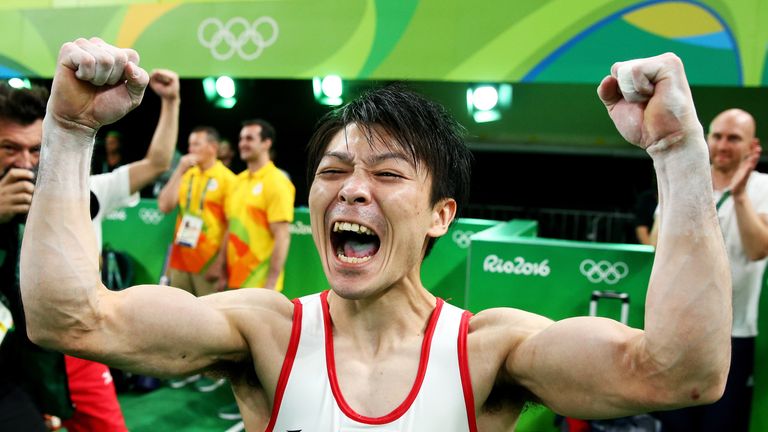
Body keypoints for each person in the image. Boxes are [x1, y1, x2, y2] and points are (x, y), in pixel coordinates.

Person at [22, 39, 731, 431]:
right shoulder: (263, 333)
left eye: (388, 175)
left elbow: (683, 374)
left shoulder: (490, 351)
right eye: (334, 171)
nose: (352, 188)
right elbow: (70, 318)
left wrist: (678, 153)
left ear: (440, 216)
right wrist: (69, 129)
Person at [0, 66, 179, 431]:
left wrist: (172, 101)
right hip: (11, 353)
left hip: (73, 347)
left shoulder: (87, 192)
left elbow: (157, 163)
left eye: (36, 149)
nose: (24, 162)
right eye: (9, 148)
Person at [650, 108, 767, 431]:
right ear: (706, 138)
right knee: (676, 423)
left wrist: (740, 195)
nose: (723, 144)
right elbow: (658, 245)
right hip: (678, 331)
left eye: (734, 138)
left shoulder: (763, 188)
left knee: (723, 424)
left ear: (751, 146)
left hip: (734, 333)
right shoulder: (685, 183)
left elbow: (758, 250)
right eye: (717, 136)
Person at [213, 119, 295, 292]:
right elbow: (231, 228)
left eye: (249, 139)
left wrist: (270, 285)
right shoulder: (237, 181)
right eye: (241, 139)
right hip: (232, 282)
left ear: (266, 143)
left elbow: (282, 237)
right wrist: (221, 270)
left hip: (259, 287)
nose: (243, 144)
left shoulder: (278, 182)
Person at [158, 126, 235, 296]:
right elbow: (165, 205)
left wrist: (220, 264)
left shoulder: (228, 179)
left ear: (213, 147)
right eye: (189, 145)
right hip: (180, 260)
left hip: (208, 262)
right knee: (178, 312)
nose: (190, 150)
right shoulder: (186, 175)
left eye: (196, 144)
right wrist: (179, 169)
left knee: (208, 314)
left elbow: (232, 225)